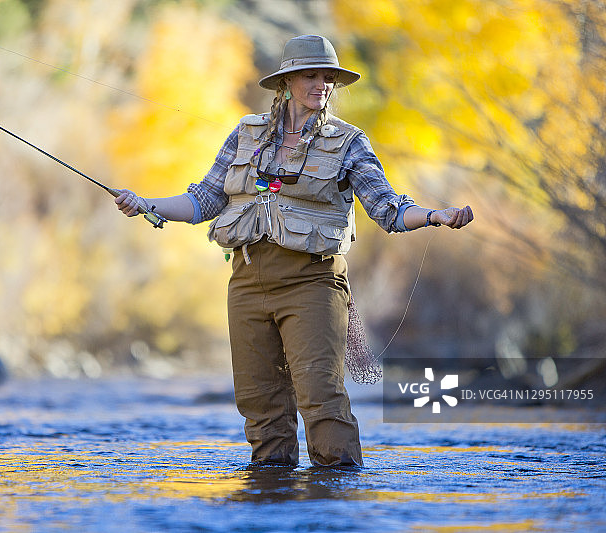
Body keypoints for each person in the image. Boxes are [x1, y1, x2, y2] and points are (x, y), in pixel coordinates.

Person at [115, 34, 473, 467]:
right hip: (247, 283)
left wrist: (434, 216)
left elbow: (388, 209)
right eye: (311, 75)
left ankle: (337, 497)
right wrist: (148, 205)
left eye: (328, 78)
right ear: (286, 82)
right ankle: (273, 499)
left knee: (321, 398)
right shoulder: (245, 135)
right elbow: (204, 199)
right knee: (259, 404)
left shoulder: (349, 141)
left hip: (313, 282)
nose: (321, 84)